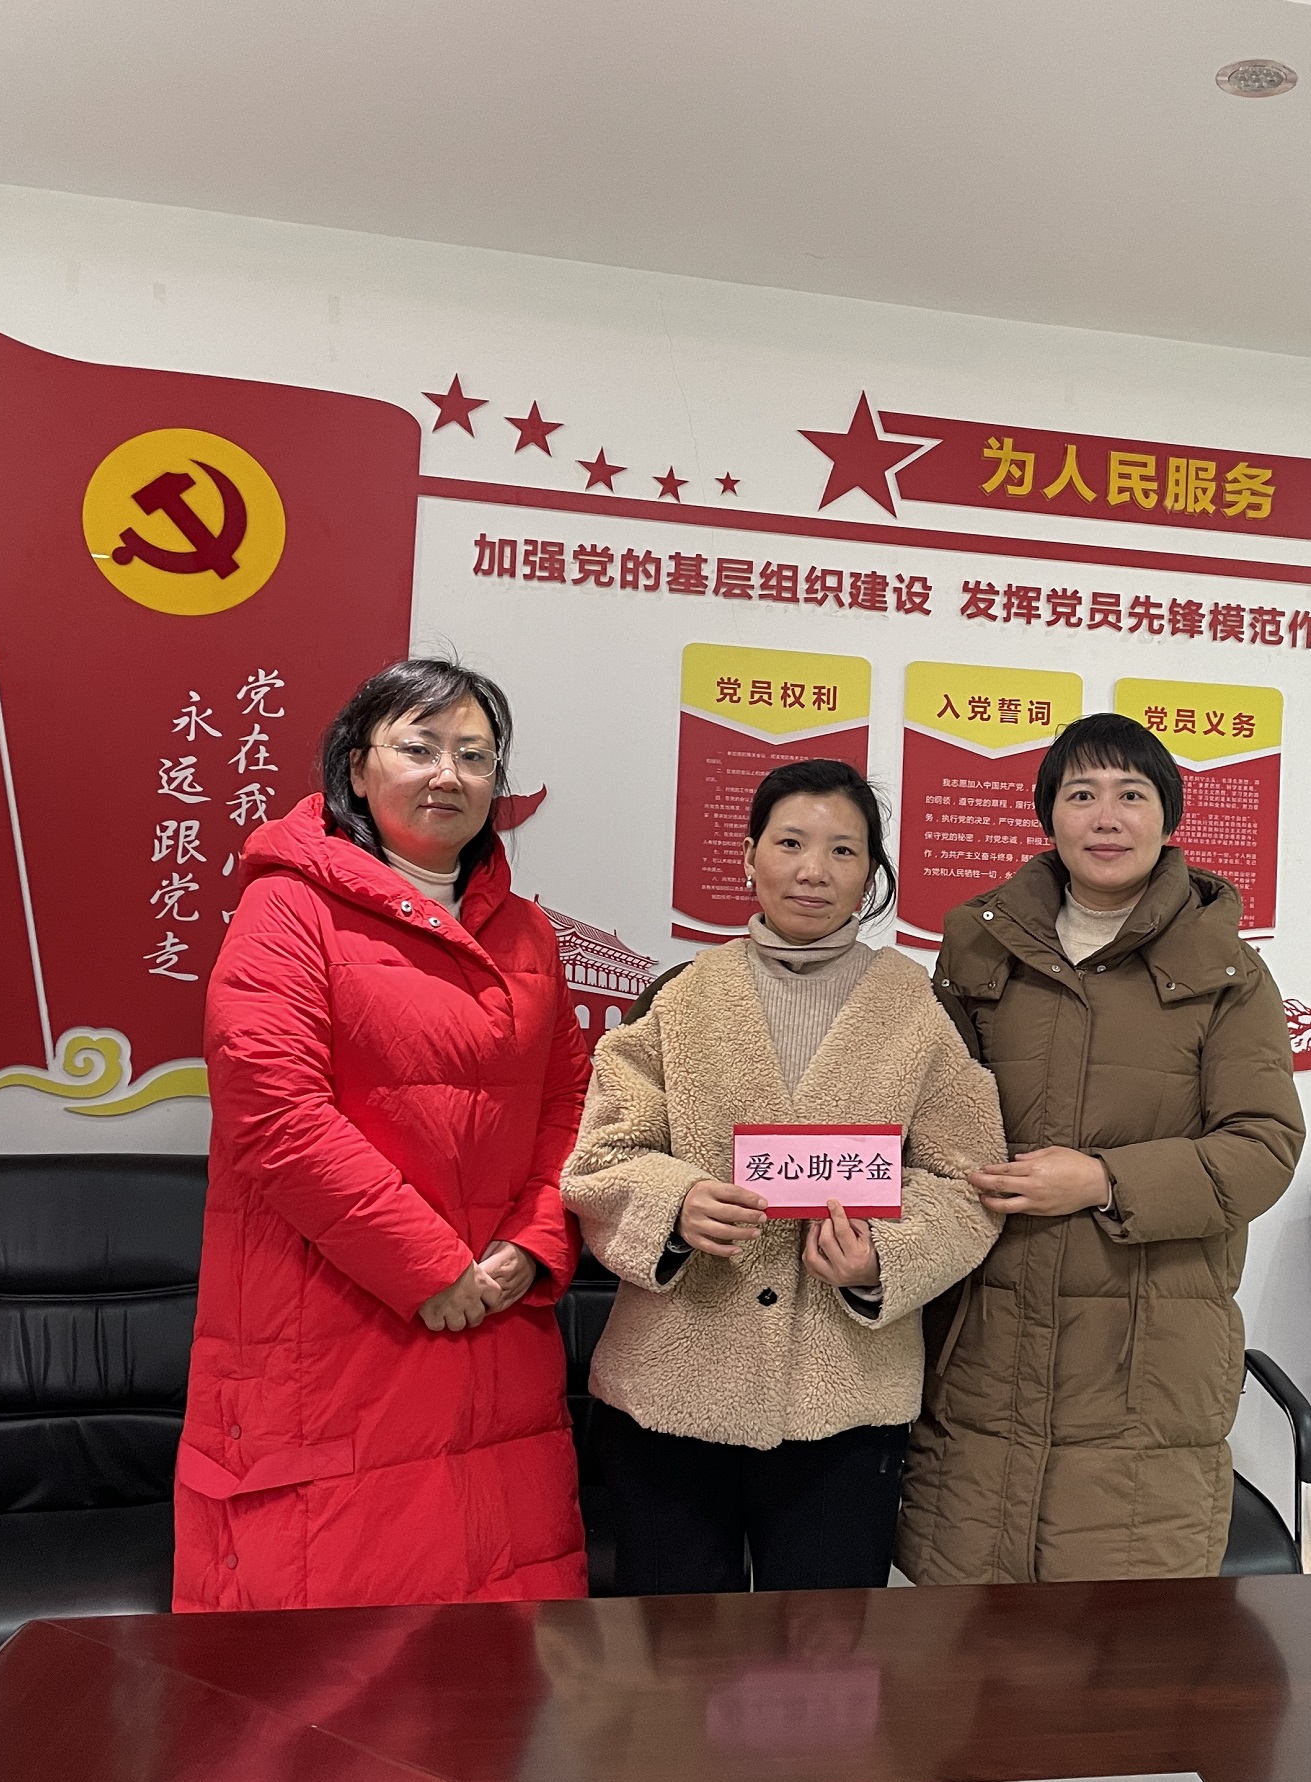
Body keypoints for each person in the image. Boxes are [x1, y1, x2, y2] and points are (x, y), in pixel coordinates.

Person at [173, 657, 591, 1611]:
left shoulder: (529, 935)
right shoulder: (290, 904)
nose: (449, 773)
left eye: (475, 755)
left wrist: (535, 1242)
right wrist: (428, 1267)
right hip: (338, 1338)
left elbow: (571, 1103)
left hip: (497, 1329)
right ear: (357, 768)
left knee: (497, 1658)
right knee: (336, 1664)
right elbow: (274, 1110)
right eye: (420, 747)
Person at [562, 759, 1005, 1595]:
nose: (814, 870)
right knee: (674, 1652)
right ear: (748, 856)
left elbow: (966, 1179)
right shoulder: (678, 997)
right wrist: (673, 1204)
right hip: (671, 1391)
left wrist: (883, 1256)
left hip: (847, 1403)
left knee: (826, 1656)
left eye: (843, 851)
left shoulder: (920, 1009)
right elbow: (602, 1157)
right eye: (791, 842)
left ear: (871, 874)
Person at [897, 713, 1307, 1584]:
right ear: (1050, 816)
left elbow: (1263, 1145)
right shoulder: (976, 946)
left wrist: (1104, 1179)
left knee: (1119, 1638)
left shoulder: (1226, 970)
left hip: (1142, 1357)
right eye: (1081, 794)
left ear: (1169, 818)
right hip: (985, 1341)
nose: (1106, 816)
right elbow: (928, 1121)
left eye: (1132, 794)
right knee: (967, 1635)